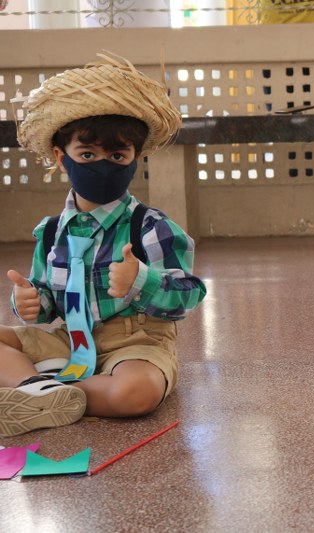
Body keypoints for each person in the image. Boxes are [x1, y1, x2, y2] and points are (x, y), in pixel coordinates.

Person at [0, 54, 207, 437]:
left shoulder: (150, 227)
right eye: (87, 155)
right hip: (69, 339)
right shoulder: (51, 232)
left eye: (117, 156)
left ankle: (36, 391)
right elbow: (47, 304)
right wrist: (29, 301)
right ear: (62, 158)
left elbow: (189, 295)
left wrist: (141, 280)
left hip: (135, 343)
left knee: (136, 393)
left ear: (135, 159)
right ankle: (39, 388)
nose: (102, 166)